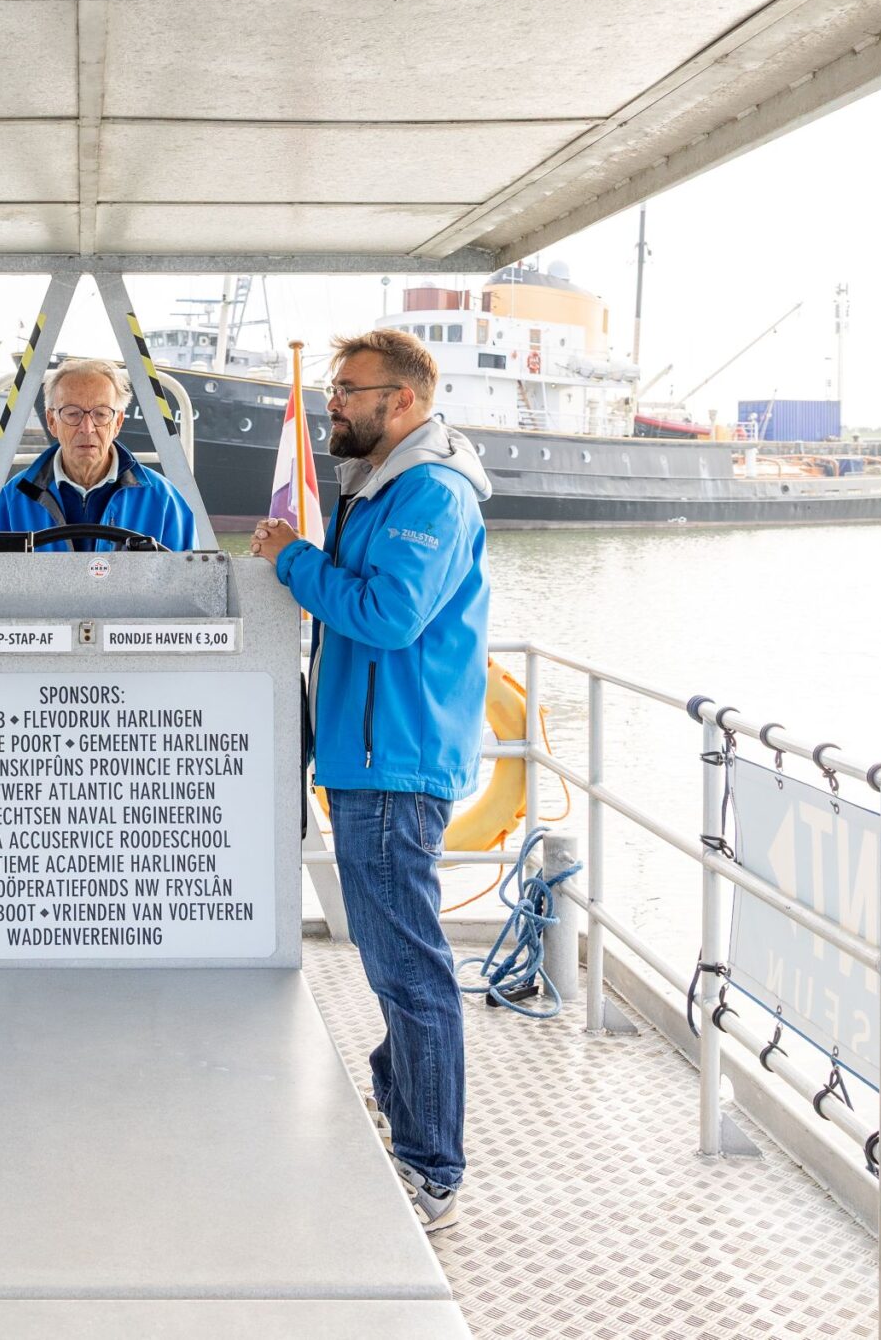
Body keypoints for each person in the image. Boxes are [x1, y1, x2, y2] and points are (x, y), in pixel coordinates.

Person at [248, 328, 491, 1235]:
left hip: (394, 760)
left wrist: (291, 560)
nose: (333, 405)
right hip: (370, 753)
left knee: (410, 970)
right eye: (335, 390)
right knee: (394, 963)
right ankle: (399, 1102)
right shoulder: (383, 484)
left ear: (405, 400)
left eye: (349, 391)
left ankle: (432, 1167)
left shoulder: (430, 491)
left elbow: (387, 615)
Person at [0, 357, 196, 552]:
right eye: (72, 413)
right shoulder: (14, 500)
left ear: (117, 422)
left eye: (101, 414)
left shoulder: (164, 500)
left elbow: (191, 584)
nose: (87, 428)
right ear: (52, 422)